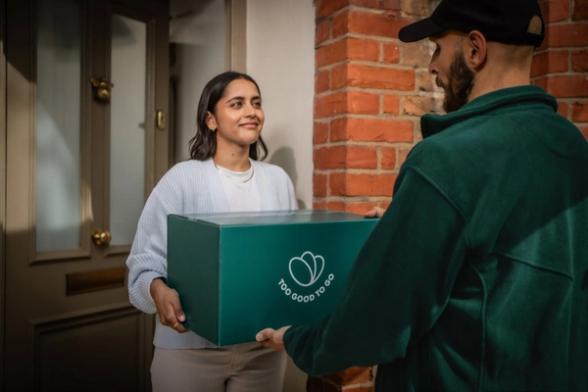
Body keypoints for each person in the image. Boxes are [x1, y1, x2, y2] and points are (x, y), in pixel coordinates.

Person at [256, 0, 588, 390]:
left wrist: (297, 339)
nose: (432, 66)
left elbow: (378, 320)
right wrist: (410, 224)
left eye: (437, 48)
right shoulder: (573, 147)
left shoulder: (446, 159)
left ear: (475, 50)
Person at [127, 71, 297, 391]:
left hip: (263, 347)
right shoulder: (181, 179)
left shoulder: (278, 180)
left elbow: (287, 259)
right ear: (211, 120)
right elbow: (144, 260)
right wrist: (157, 289)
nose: (251, 111)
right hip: (190, 351)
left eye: (256, 103)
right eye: (237, 103)